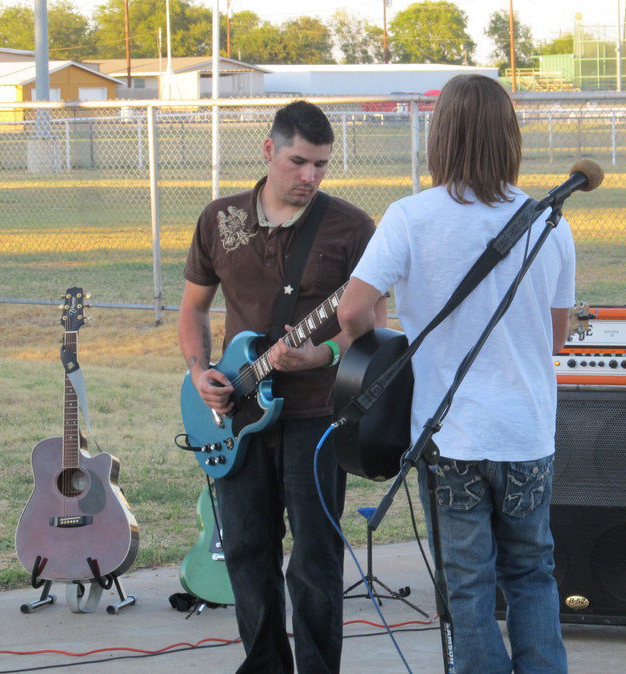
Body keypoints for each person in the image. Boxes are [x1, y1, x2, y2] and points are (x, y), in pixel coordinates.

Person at [338, 74, 575, 673]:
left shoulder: (411, 217)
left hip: (450, 438)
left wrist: (387, 344)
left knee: (468, 587)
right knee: (532, 573)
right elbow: (556, 337)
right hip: (525, 431)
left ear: (439, 137)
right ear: (510, 137)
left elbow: (350, 310)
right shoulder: (550, 222)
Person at [179, 100, 385, 674]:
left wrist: (321, 353)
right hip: (237, 416)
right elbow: (193, 309)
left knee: (315, 560)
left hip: (318, 416)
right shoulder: (220, 219)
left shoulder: (350, 226)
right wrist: (200, 372)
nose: (310, 177)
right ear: (268, 150)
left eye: (321, 165)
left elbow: (374, 329)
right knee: (247, 552)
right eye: (298, 162)